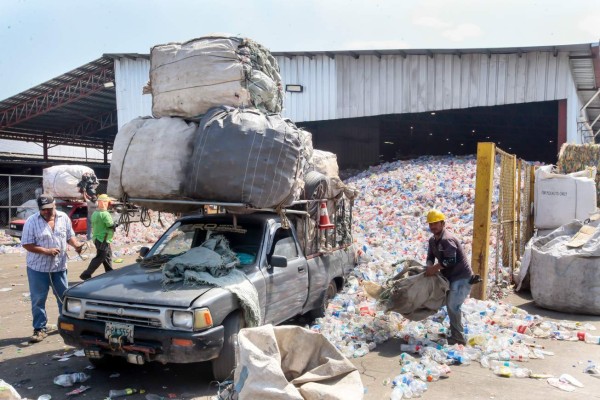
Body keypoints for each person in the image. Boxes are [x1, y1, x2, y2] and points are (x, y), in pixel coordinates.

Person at [21, 194, 84, 343]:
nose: (47, 212)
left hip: (59, 267)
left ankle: (66, 325)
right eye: (43, 210)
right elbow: (27, 244)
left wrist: (76, 245)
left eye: (49, 208)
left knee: (63, 298)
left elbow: (70, 236)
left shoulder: (63, 218)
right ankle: (39, 329)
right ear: (39, 209)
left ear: (55, 205)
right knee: (38, 299)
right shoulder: (31, 221)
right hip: (38, 269)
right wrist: (46, 251)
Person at [424, 209, 476, 346]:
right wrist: (428, 267)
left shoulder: (447, 240)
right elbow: (430, 257)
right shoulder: (432, 241)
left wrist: (434, 269)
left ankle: (458, 338)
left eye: (436, 223)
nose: (433, 227)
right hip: (450, 278)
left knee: (453, 306)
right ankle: (455, 330)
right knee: (450, 305)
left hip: (461, 277)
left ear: (442, 223)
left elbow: (450, 261)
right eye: (431, 224)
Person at [79, 194, 117, 280]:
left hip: (98, 238)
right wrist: (115, 225)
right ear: (104, 203)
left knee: (107, 256)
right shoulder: (105, 214)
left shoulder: (95, 213)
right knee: (100, 257)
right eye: (107, 202)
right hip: (103, 239)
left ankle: (110, 272)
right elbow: (110, 225)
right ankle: (86, 274)